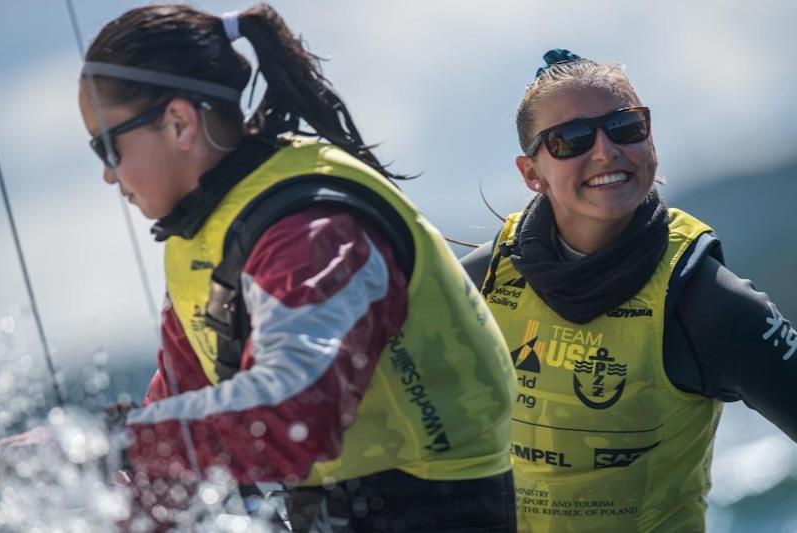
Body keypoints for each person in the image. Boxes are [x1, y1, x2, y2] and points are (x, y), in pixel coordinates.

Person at [71, 4, 518, 532]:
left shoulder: (312, 230)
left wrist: (105, 448)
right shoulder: (204, 234)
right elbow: (185, 427)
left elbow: (294, 416)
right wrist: (74, 488)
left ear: (178, 122)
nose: (106, 173)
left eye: (108, 145)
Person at [461, 49, 797, 532]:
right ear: (531, 173)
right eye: (570, 139)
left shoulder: (709, 304)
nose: (604, 151)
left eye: (625, 126)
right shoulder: (482, 285)